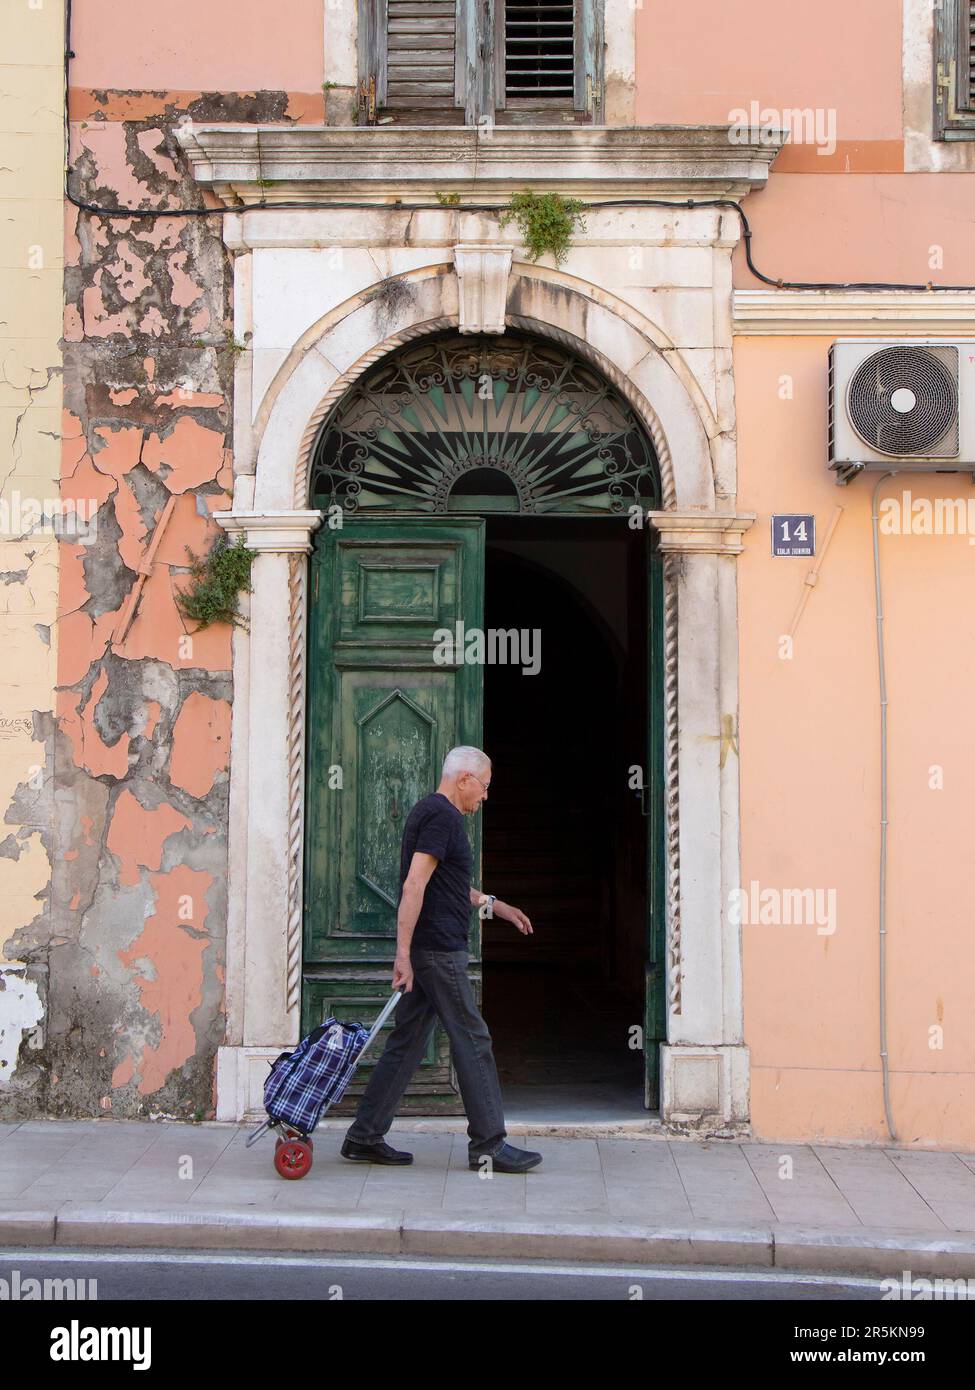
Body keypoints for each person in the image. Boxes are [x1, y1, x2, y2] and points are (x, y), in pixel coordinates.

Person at [342, 746, 543, 1174]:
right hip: (437, 951)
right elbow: (414, 885)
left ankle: (364, 1136)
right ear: (465, 778)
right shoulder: (443, 816)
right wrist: (403, 955)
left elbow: (449, 886)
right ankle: (489, 1145)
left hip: (430, 949)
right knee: (474, 1040)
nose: (485, 796)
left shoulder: (431, 813)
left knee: (407, 1043)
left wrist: (497, 905)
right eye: (485, 787)